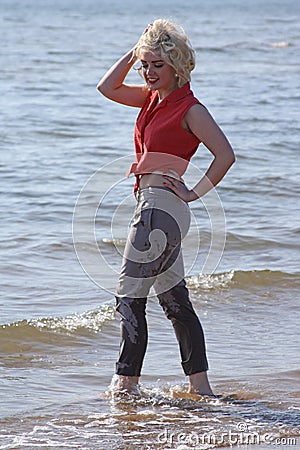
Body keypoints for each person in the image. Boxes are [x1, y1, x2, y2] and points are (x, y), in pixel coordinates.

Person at [97, 19, 235, 396]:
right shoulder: (151, 99)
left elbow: (225, 155)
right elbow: (106, 87)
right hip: (154, 206)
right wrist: (136, 48)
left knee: (128, 295)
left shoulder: (191, 109)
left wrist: (195, 193)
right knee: (174, 300)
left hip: (161, 208)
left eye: (158, 64)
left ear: (177, 65)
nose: (149, 72)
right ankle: (201, 389)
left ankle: (124, 385)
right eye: (146, 65)